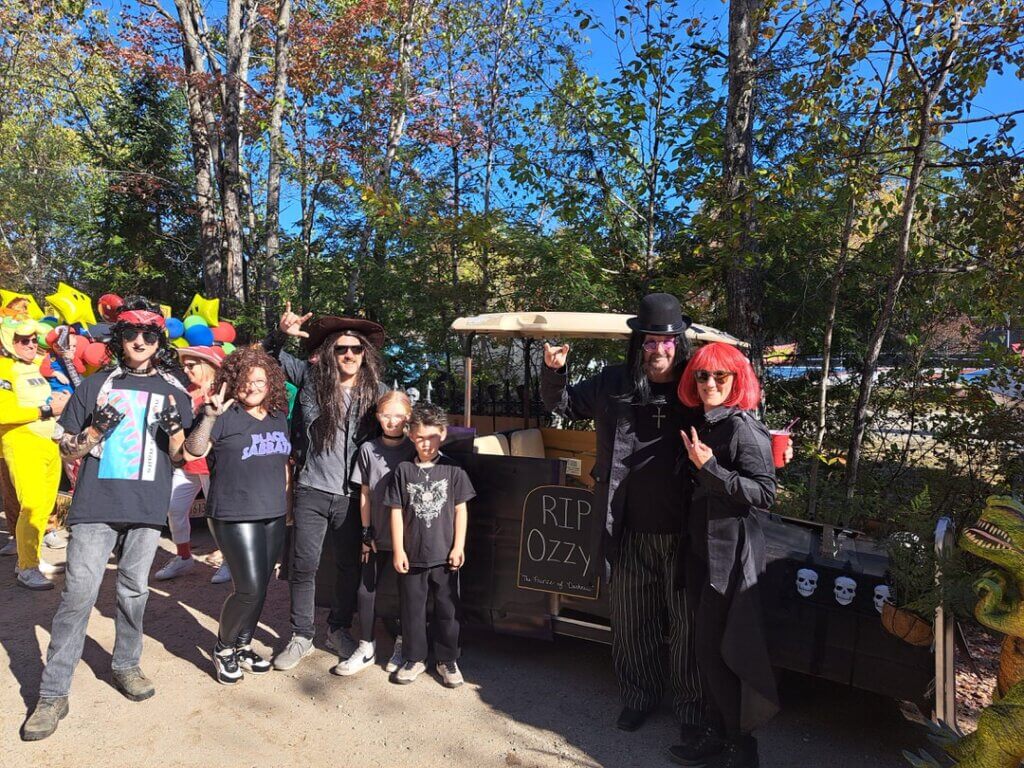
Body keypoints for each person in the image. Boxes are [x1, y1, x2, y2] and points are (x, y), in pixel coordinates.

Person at [21, 299, 193, 742]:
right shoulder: (95, 385)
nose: (140, 341)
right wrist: (96, 431)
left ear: (159, 341)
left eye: (149, 335)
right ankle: (53, 693)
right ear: (119, 339)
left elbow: (181, 458)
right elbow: (67, 451)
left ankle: (125, 665)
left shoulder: (174, 391)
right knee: (78, 596)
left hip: (146, 509)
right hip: (96, 506)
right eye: (132, 333)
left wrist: (176, 431)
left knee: (134, 592)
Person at [541, 293, 706, 740]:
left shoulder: (697, 386)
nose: (659, 349)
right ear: (639, 343)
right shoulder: (613, 382)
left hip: (685, 531)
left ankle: (692, 709)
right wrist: (554, 372)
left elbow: (732, 421)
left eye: (667, 341)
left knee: (689, 629)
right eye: (651, 341)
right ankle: (639, 698)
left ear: (679, 343)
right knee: (633, 625)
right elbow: (563, 408)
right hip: (627, 527)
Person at [670, 342, 779, 768]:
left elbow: (765, 493)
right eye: (702, 375)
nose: (710, 383)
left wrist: (710, 468)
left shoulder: (742, 428)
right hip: (703, 551)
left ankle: (742, 747)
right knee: (707, 652)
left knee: (724, 652)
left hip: (730, 558)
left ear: (737, 381)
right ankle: (719, 733)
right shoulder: (708, 422)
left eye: (721, 376)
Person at [264, 303, 388, 670]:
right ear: (330, 352)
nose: (348, 354)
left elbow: (397, 427)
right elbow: (266, 362)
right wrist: (279, 333)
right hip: (312, 489)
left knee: (349, 566)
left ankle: (337, 628)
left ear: (365, 354)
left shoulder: (378, 391)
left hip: (353, 495)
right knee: (303, 565)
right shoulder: (310, 379)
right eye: (341, 348)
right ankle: (302, 634)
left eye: (356, 349)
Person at [183, 345, 291, 685]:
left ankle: (243, 647)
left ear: (270, 382)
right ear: (233, 381)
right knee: (247, 587)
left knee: (261, 588)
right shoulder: (223, 414)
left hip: (272, 512)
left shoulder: (278, 416)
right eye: (246, 380)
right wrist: (209, 416)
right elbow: (193, 450)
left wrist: (286, 508)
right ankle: (224, 648)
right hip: (232, 512)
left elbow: (285, 464)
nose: (253, 386)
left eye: (260, 380)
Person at [385, 403, 474, 687]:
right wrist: (398, 549)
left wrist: (458, 546)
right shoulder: (403, 470)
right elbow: (396, 510)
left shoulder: (453, 469)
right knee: (412, 610)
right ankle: (414, 658)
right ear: (411, 435)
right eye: (420, 436)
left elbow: (461, 509)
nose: (426, 443)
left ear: (443, 434)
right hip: (412, 556)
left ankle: (448, 660)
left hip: (445, 555)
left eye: (432, 436)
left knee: (448, 611)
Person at [335, 390, 415, 676]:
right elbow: (366, 493)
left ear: (408, 416)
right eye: (385, 415)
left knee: (408, 592)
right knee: (366, 590)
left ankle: (405, 644)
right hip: (377, 532)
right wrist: (366, 531)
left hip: (408, 536)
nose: (391, 421)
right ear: (377, 417)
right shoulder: (368, 450)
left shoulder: (415, 448)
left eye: (398, 415)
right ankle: (366, 645)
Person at [153, 345, 232, 584]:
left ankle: (229, 562)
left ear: (208, 365)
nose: (186, 370)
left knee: (217, 517)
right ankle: (184, 557)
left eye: (191, 365)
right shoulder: (184, 392)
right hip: (187, 465)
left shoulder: (225, 392)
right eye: (184, 366)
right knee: (174, 509)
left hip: (213, 466)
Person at [0, 319, 69, 589]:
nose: (31, 344)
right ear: (8, 342)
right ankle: (27, 567)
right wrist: (46, 410)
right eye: (23, 340)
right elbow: (4, 412)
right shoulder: (5, 368)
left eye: (32, 340)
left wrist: (57, 401)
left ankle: (31, 559)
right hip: (23, 444)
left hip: (48, 443)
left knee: (43, 507)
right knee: (30, 507)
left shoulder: (30, 366)